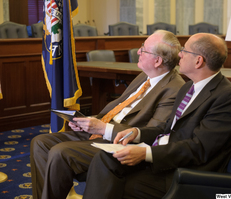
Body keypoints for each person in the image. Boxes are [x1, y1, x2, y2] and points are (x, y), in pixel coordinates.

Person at [82, 33, 231, 199]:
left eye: (184, 51)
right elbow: (167, 128)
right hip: (163, 156)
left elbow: (198, 148)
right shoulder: (188, 87)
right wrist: (137, 133)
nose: (179, 54)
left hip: (183, 172)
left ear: (198, 61)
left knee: (117, 183)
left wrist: (146, 153)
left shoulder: (226, 97)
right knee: (104, 158)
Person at [30, 30, 186, 199]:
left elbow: (153, 132)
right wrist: (89, 121)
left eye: (144, 49)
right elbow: (118, 108)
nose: (139, 51)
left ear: (157, 61)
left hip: (120, 143)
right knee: (40, 143)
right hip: (100, 133)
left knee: (60, 152)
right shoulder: (144, 76)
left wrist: (104, 128)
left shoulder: (174, 88)